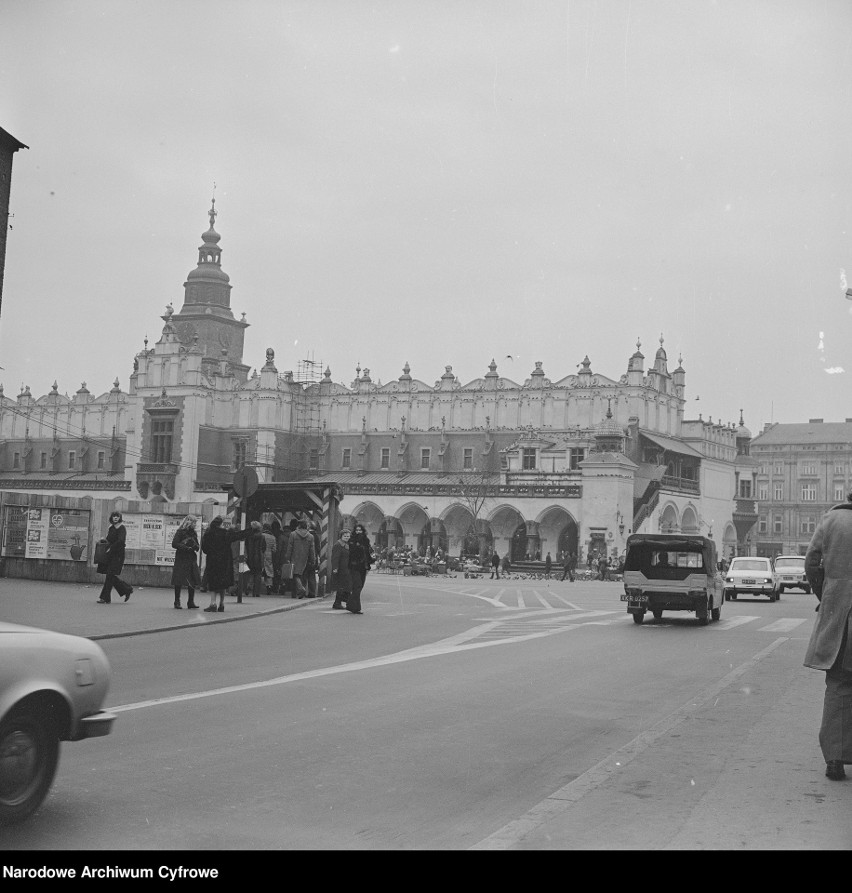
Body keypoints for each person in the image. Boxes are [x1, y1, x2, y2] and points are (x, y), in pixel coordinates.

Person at [803, 488, 852, 781]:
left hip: (839, 614)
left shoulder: (831, 519)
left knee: (838, 683)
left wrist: (828, 594)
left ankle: (834, 759)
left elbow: (811, 562)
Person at [201, 516, 248, 612]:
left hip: (213, 561)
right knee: (223, 583)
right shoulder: (226, 534)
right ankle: (221, 604)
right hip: (224, 561)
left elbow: (204, 549)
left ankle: (213, 603)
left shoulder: (208, 534)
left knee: (213, 582)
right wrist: (252, 530)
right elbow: (238, 536)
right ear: (220, 524)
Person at [96, 511, 133, 604]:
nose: (115, 518)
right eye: (114, 516)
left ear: (119, 518)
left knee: (110, 575)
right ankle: (127, 589)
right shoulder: (111, 527)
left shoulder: (121, 528)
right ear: (111, 518)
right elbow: (110, 540)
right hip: (110, 555)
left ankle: (104, 598)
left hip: (118, 555)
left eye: (117, 516)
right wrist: (104, 540)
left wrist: (111, 548)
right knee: (110, 576)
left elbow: (121, 541)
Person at [171, 515, 200, 609]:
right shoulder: (180, 532)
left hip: (191, 558)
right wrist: (185, 547)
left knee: (192, 579)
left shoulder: (194, 533)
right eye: (194, 522)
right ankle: (177, 601)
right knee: (178, 580)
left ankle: (190, 601)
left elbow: (198, 546)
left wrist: (195, 546)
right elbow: (174, 544)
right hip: (181, 558)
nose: (195, 525)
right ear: (189, 522)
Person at [286, 518, 316, 599]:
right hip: (305, 558)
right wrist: (313, 560)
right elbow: (312, 550)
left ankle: (300, 590)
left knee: (295, 575)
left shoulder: (293, 534)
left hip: (294, 557)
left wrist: (287, 557)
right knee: (301, 575)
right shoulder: (310, 536)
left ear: (298, 525)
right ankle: (298, 593)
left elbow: (290, 547)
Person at [347, 527, 370, 614]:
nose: (358, 532)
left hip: (363, 567)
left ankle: (352, 606)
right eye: (357, 530)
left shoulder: (366, 541)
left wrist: (368, 565)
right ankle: (354, 607)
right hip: (354, 566)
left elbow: (367, 554)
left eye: (360, 530)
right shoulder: (352, 541)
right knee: (357, 586)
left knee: (360, 587)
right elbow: (352, 553)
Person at [329, 528, 352, 610]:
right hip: (341, 569)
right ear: (341, 536)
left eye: (348, 536)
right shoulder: (338, 545)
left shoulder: (347, 545)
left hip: (347, 569)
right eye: (345, 536)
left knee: (346, 586)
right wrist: (335, 568)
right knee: (342, 586)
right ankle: (340, 603)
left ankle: (341, 602)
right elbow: (335, 558)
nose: (347, 537)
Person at [244, 521, 266, 597]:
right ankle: (256, 592)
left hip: (250, 556)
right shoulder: (262, 536)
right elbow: (264, 548)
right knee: (258, 575)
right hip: (259, 557)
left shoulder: (248, 536)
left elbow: (246, 546)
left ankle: (247, 588)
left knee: (249, 573)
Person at [261, 523, 277, 594]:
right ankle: (269, 586)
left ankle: (251, 585)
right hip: (269, 555)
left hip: (261, 554)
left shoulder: (261, 535)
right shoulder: (273, 537)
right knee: (269, 572)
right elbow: (274, 549)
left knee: (258, 570)